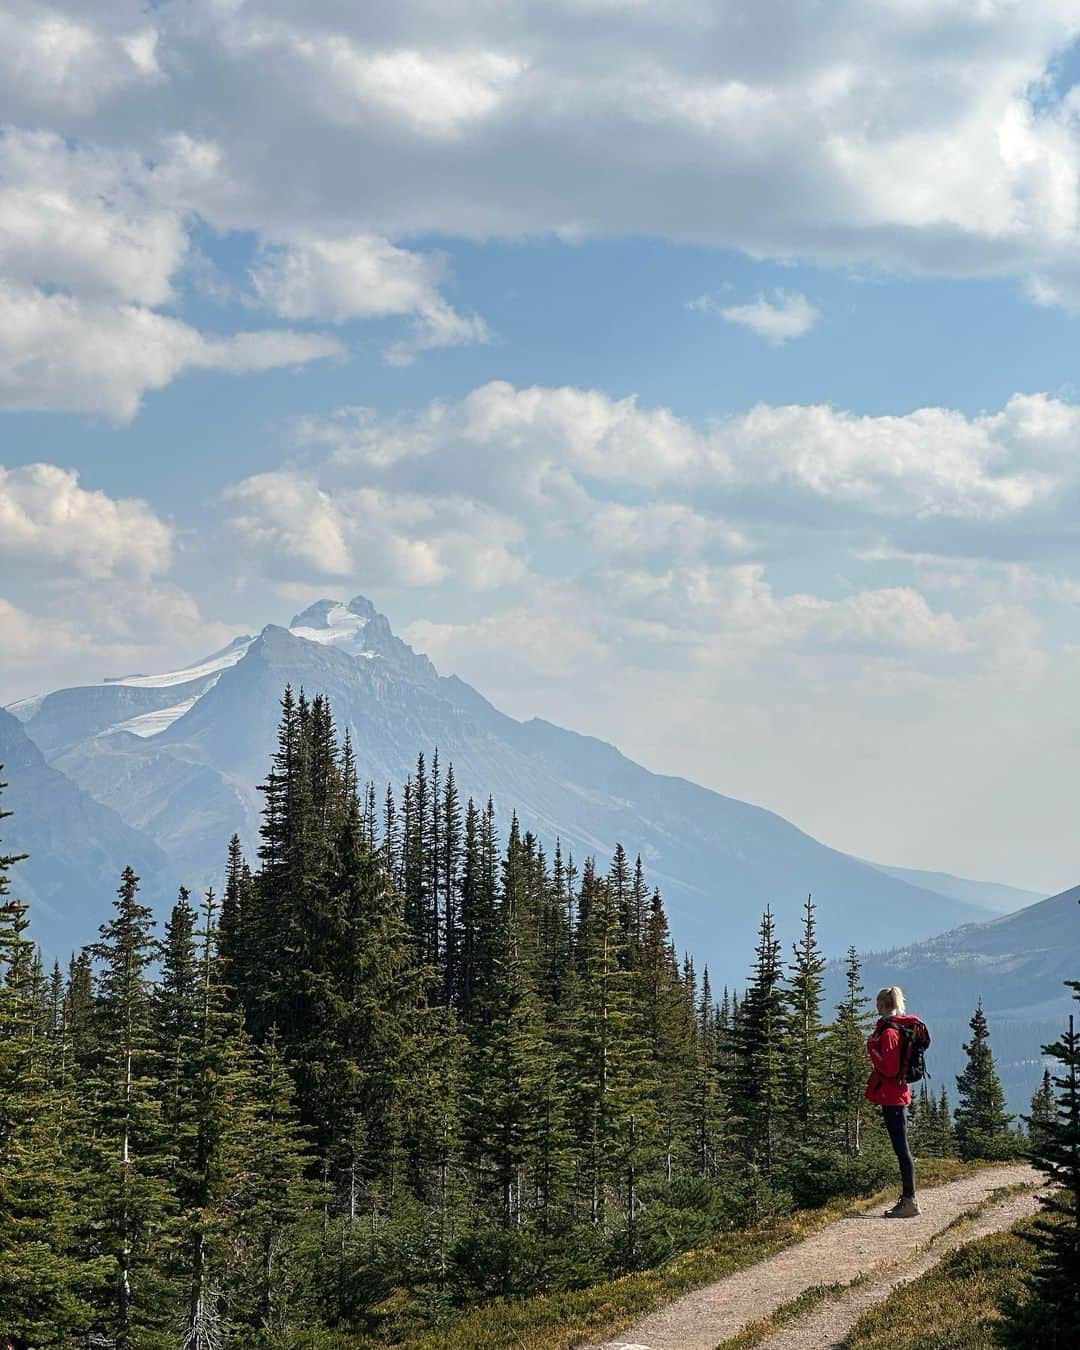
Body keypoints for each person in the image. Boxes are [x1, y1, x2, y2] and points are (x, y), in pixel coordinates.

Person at [866, 985, 920, 1218]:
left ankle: (909, 1200)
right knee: (902, 1149)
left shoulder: (889, 1032)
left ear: (883, 1005)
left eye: (878, 1003)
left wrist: (871, 1049)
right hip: (897, 1095)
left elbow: (889, 1068)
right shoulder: (898, 1026)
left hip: (893, 1097)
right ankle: (909, 1198)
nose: (876, 1007)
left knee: (902, 1150)